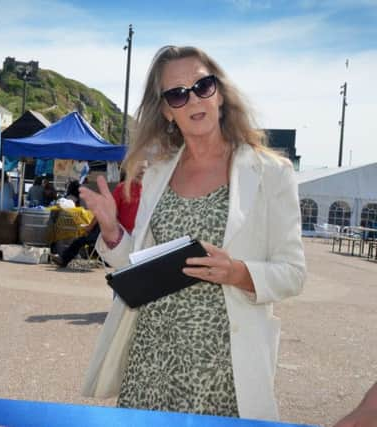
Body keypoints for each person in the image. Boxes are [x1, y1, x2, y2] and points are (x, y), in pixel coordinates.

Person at [80, 45, 306, 420]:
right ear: (167, 110)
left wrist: (239, 272)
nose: (193, 99)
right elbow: (140, 262)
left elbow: (293, 273)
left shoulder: (270, 173)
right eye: (177, 93)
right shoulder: (156, 173)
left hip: (221, 367)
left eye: (202, 85)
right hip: (150, 358)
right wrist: (111, 230)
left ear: (219, 93)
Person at [112, 161, 147, 234]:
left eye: (144, 168)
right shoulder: (121, 188)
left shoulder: (150, 189)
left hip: (142, 234)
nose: (142, 171)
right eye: (138, 168)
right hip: (124, 235)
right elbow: (111, 213)